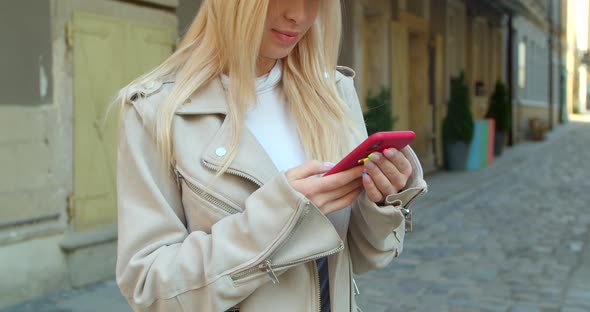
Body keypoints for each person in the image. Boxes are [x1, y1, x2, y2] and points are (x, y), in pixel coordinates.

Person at [114, 0, 427, 311]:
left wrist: (380, 200)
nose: (298, 15)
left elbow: (364, 256)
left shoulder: (333, 92)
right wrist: (280, 217)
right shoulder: (155, 112)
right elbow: (150, 290)